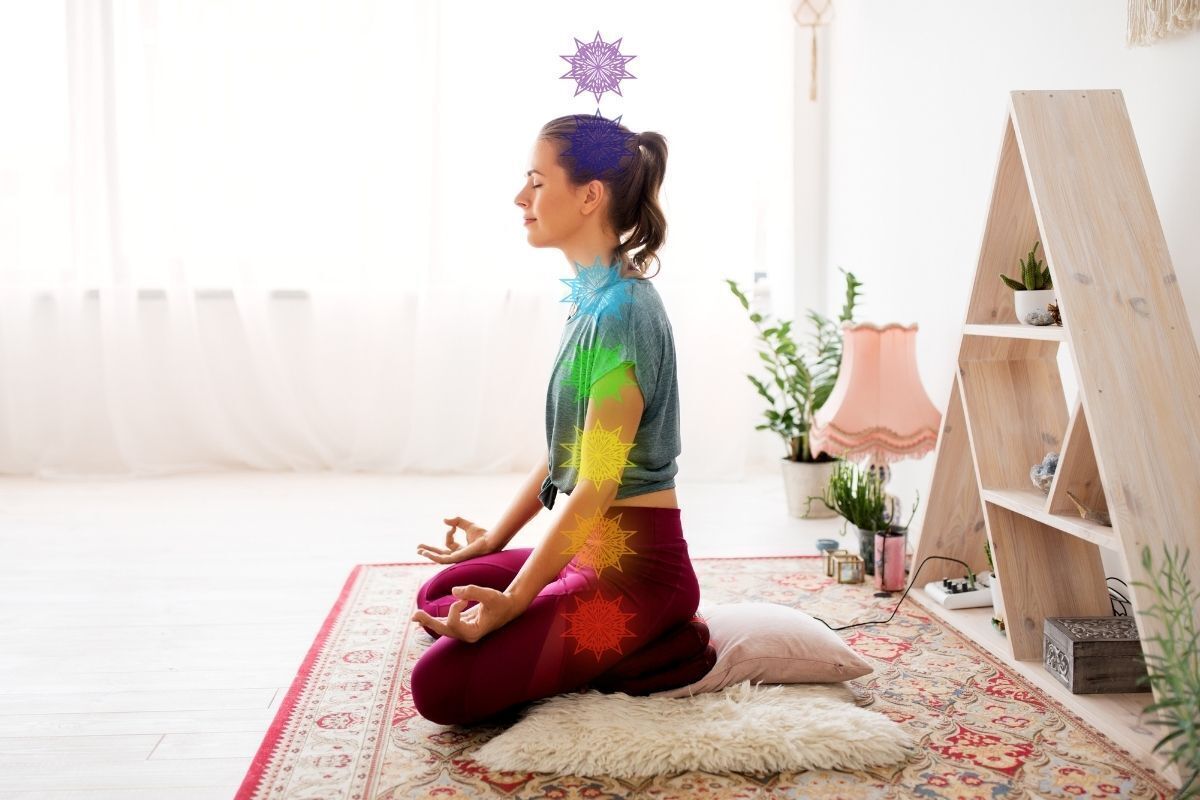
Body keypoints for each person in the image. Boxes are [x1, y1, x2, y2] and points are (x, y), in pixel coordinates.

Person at [409, 114, 714, 726]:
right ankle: (578, 614)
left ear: (589, 196)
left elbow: (598, 481)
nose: (521, 198)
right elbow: (565, 453)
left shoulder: (622, 314)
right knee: (442, 593)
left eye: (536, 182)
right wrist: (494, 539)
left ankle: (663, 639)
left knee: (437, 687)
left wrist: (520, 598)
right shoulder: (594, 301)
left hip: (637, 573)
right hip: (590, 551)